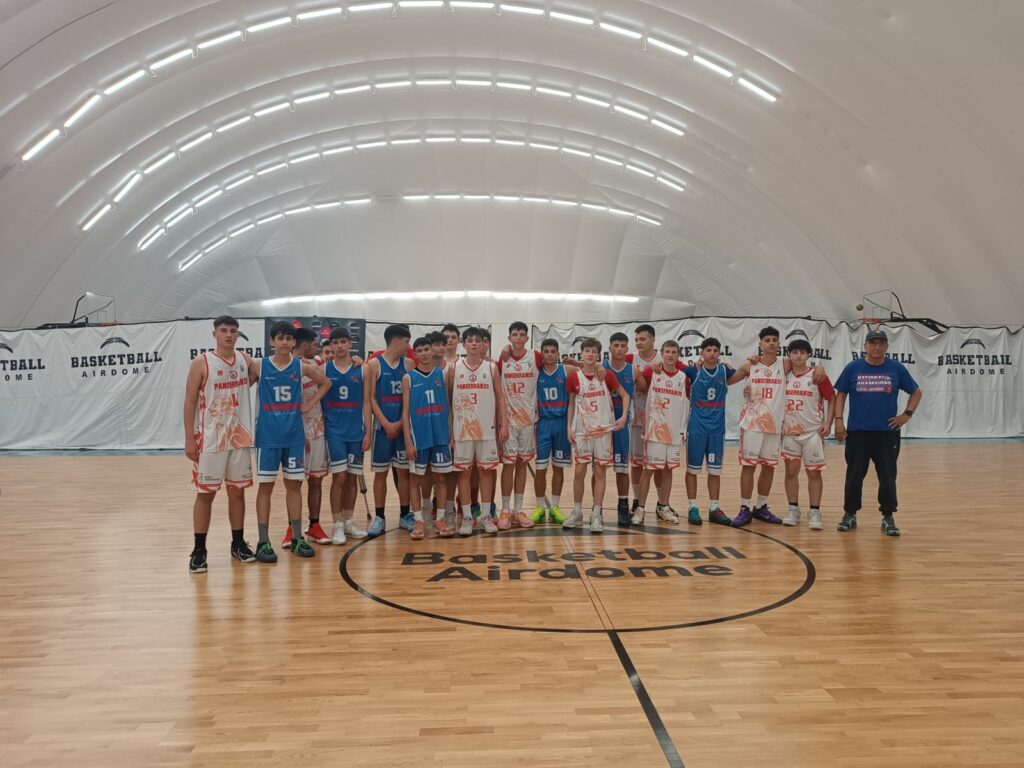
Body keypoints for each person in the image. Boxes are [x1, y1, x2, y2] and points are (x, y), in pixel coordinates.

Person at [184, 315, 260, 573]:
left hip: (239, 438)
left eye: (233, 330)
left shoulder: (245, 360)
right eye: (224, 330)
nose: (229, 334)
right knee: (205, 494)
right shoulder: (202, 362)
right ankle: (199, 550)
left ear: (238, 335)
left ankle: (238, 544)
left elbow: (271, 369)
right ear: (214, 334)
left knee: (237, 493)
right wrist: (189, 438)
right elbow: (190, 401)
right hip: (211, 440)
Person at [254, 322, 331, 562]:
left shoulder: (301, 366)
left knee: (294, 486)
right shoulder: (259, 365)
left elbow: (326, 383)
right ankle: (263, 542)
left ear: (293, 342)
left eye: (289, 338)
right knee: (265, 488)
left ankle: (298, 537)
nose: (285, 342)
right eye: (280, 338)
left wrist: (310, 403)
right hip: (268, 437)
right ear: (272, 341)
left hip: (294, 436)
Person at [833, 329, 922, 537]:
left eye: (881, 343)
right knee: (854, 475)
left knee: (888, 476)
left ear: (887, 347)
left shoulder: (896, 368)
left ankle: (888, 516)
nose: (877, 347)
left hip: (887, 433)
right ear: (865, 346)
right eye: (873, 343)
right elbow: (841, 394)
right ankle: (850, 514)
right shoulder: (853, 367)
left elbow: (916, 392)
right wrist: (838, 421)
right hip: (858, 432)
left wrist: (906, 414)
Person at [564, 337, 630, 533]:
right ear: (581, 353)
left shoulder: (606, 375)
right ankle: (577, 512)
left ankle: (597, 514)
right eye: (587, 351)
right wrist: (569, 427)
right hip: (582, 431)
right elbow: (571, 403)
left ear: (599, 355)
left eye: (594, 351)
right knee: (579, 472)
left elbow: (625, 395)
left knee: (600, 472)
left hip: (603, 431)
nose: (590, 354)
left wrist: (623, 417)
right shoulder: (574, 378)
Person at [448, 326, 507, 536]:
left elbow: (500, 397)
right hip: (462, 430)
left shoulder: (491, 368)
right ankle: (466, 517)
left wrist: (504, 424)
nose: (474, 343)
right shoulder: (454, 368)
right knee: (463, 473)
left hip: (487, 429)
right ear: (463, 344)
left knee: (485, 472)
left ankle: (486, 516)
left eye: (477, 340)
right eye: (470, 340)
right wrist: (450, 432)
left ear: (483, 344)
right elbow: (449, 402)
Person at [682, 338, 747, 526]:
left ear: (719, 353)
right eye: (708, 350)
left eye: (715, 350)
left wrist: (752, 360)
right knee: (692, 470)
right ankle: (693, 507)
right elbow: (672, 371)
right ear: (702, 353)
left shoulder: (724, 371)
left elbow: (745, 371)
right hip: (697, 428)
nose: (712, 353)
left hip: (717, 430)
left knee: (715, 471)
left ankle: (714, 508)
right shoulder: (692, 371)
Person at [364, 324, 414, 537]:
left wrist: (401, 423)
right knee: (380, 474)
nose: (409, 346)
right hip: (381, 429)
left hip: (403, 428)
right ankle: (379, 517)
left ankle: (405, 514)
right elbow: (371, 398)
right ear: (396, 341)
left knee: (404, 474)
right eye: (406, 341)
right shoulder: (374, 365)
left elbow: (411, 398)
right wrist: (385, 423)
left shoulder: (409, 364)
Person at [322, 327, 371, 545]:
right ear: (330, 346)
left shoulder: (363, 369)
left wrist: (368, 431)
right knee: (339, 477)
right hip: (334, 432)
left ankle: (349, 521)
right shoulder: (324, 369)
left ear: (350, 344)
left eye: (343, 341)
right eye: (336, 342)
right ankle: (337, 525)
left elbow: (367, 402)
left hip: (356, 431)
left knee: (352, 477)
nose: (340, 346)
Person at [403, 337, 454, 540]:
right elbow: (405, 413)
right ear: (415, 353)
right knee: (415, 479)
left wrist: (451, 436)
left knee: (441, 478)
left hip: (440, 435)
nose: (424, 353)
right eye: (420, 350)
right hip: (419, 436)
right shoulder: (408, 378)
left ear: (432, 351)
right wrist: (408, 441)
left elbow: (449, 407)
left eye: (426, 349)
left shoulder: (443, 374)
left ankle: (440, 519)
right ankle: (419, 521)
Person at [781, 339, 836, 530]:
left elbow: (831, 397)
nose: (798, 355)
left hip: (812, 432)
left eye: (802, 352)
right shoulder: (783, 374)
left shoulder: (817, 375)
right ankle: (793, 509)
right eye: (794, 352)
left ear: (809, 355)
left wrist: (828, 422)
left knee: (814, 473)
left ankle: (815, 511)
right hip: (790, 432)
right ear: (789, 355)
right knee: (791, 472)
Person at [633, 340, 687, 524]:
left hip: (674, 431)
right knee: (648, 469)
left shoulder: (683, 376)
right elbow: (636, 376)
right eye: (667, 352)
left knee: (668, 470)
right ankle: (640, 508)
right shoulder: (652, 372)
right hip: (655, 430)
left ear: (678, 355)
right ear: (661, 354)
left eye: (674, 352)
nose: (670, 355)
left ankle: (663, 506)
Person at [287, 327, 331, 546]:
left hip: (318, 432)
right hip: (295, 433)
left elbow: (329, 381)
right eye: (315, 344)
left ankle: (314, 525)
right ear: (305, 344)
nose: (318, 348)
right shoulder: (286, 366)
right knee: (294, 483)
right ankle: (292, 528)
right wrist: (297, 433)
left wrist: (357, 359)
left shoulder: (317, 364)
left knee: (316, 480)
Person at [498, 321, 540, 530]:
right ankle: (505, 510)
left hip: (527, 421)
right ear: (509, 338)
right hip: (509, 421)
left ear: (527, 338)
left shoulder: (535, 356)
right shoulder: (502, 359)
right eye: (514, 334)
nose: (518, 338)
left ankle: (518, 509)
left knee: (522, 464)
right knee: (508, 465)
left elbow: (557, 365)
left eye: (522, 334)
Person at [532, 339, 570, 524]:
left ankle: (554, 507)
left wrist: (598, 367)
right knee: (540, 468)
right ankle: (540, 507)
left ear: (558, 353)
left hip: (562, 423)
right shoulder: (536, 372)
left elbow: (589, 368)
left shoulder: (566, 370)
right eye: (546, 351)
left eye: (553, 351)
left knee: (558, 467)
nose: (549, 354)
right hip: (543, 424)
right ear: (541, 354)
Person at [604, 332, 638, 526]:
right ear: (610, 348)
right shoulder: (601, 367)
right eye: (615, 345)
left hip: (622, 422)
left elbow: (647, 385)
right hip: (602, 422)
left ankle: (623, 506)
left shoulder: (633, 371)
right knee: (598, 468)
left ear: (627, 348)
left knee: (622, 468)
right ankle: (597, 508)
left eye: (622, 346)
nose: (619, 349)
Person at [630, 324, 662, 513]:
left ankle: (661, 504)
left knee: (658, 465)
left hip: (659, 421)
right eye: (636, 340)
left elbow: (686, 372)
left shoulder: (664, 358)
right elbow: (605, 366)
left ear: (652, 339)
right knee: (636, 463)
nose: (638, 343)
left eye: (642, 339)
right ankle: (636, 500)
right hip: (637, 419)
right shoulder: (630, 359)